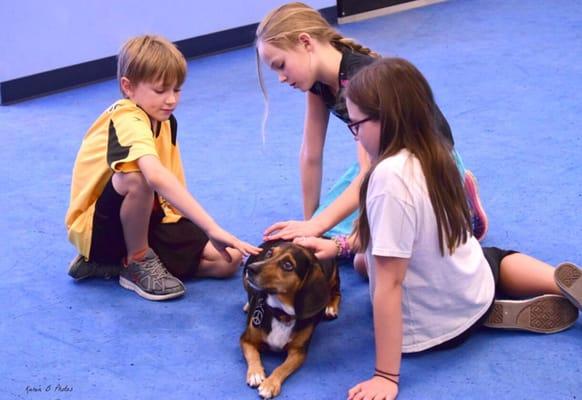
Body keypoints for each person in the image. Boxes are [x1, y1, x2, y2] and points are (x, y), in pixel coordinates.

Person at [294, 57, 582, 400]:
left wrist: (386, 376)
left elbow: (390, 284)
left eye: (356, 126)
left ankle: (465, 319)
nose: (355, 134)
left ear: (386, 120)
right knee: (494, 257)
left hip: (429, 333)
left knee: (372, 268)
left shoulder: (386, 179)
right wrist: (339, 247)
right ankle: (526, 291)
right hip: (473, 289)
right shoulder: (435, 151)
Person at [255, 2, 489, 276]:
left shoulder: (360, 81)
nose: (281, 78)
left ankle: (458, 203)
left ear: (305, 42)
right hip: (383, 161)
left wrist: (316, 226)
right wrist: (311, 223)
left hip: (427, 164)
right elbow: (310, 154)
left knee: (361, 253)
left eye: (280, 65)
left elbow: (369, 174)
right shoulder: (318, 83)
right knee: (331, 230)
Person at [65, 35, 261, 301]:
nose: (171, 100)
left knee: (228, 261)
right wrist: (212, 227)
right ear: (128, 87)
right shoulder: (125, 117)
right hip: (98, 228)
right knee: (137, 178)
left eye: (177, 90)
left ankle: (111, 265)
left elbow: (171, 186)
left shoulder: (165, 121)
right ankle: (135, 260)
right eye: (160, 91)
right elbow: (155, 177)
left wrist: (188, 231)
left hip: (144, 217)